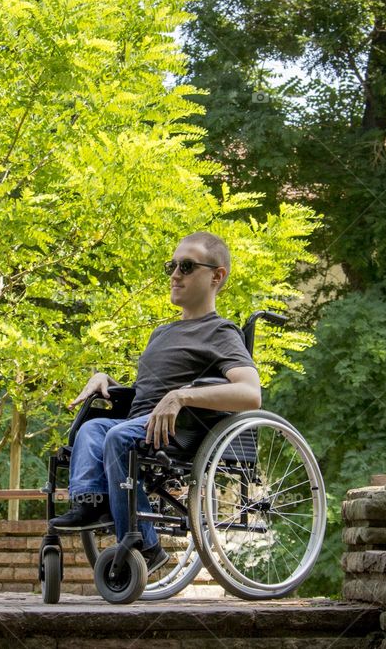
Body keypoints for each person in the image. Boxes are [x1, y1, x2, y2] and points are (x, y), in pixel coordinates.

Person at [47, 231, 262, 574]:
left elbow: (250, 394)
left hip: (182, 429)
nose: (175, 274)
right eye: (172, 265)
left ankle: (145, 544)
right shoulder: (161, 333)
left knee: (116, 437)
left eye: (187, 266)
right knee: (92, 429)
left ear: (217, 276)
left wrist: (181, 396)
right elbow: (144, 394)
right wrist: (107, 381)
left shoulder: (220, 332)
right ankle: (92, 504)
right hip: (139, 421)